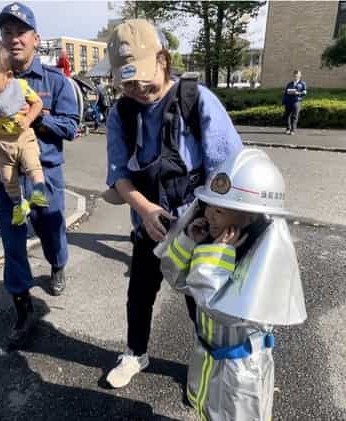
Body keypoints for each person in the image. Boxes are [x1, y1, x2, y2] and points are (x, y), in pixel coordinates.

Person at [103, 20, 243, 389]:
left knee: (201, 303)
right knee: (139, 295)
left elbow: (226, 171)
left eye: (142, 78)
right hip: (149, 224)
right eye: (127, 82)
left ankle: (205, 368)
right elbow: (118, 175)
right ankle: (136, 353)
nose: (137, 89)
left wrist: (221, 228)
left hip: (200, 225)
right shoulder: (122, 113)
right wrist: (145, 209)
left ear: (163, 60)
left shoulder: (196, 100)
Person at [158, 148, 307, 420]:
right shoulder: (214, 246)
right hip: (207, 355)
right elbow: (177, 281)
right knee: (205, 409)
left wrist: (214, 256)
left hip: (241, 370)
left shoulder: (263, 260)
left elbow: (218, 308)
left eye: (221, 211)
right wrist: (189, 241)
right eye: (208, 207)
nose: (210, 216)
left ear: (249, 215)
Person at [0, 2, 79, 348]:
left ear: (35, 39)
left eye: (20, 32)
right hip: (8, 176)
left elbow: (71, 128)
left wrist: (36, 119)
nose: (13, 39)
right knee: (12, 245)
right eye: (6, 33)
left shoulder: (55, 82)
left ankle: (57, 264)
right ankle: (23, 308)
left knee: (52, 233)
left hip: (46, 176)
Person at [0, 40, 49, 226]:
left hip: (23, 137)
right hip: (2, 143)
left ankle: (38, 192)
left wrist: (28, 118)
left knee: (32, 165)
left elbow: (38, 103)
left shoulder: (20, 87)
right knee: (7, 178)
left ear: (8, 75)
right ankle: (18, 205)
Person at [282, 70, 307, 135]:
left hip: (297, 101)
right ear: (293, 75)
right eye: (295, 75)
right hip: (288, 101)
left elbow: (304, 92)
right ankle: (288, 128)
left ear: (300, 75)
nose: (296, 76)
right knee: (287, 115)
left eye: (297, 75)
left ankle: (293, 130)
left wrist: (298, 93)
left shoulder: (302, 83)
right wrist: (284, 101)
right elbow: (285, 93)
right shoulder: (289, 84)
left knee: (294, 116)